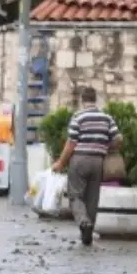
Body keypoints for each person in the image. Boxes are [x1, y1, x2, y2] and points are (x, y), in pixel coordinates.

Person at [52, 86, 122, 246]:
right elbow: (119, 139)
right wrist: (105, 146)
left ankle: (84, 223)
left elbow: (71, 143)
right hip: (98, 161)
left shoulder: (78, 117)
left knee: (75, 195)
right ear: (95, 99)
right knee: (92, 198)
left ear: (82, 100)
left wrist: (61, 162)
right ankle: (88, 231)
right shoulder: (107, 118)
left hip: (79, 159)